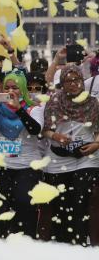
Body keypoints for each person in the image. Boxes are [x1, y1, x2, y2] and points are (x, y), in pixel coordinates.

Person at [41, 65, 99, 246]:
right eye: (68, 81)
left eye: (77, 80)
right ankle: (64, 244)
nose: (73, 84)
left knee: (81, 198)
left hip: (86, 156)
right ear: (62, 83)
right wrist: (56, 136)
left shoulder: (93, 102)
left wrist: (96, 144)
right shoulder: (54, 101)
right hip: (59, 157)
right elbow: (45, 130)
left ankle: (81, 242)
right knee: (62, 203)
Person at [0, 72, 43, 238]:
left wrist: (19, 109)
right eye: (6, 87)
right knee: (0, 207)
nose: (10, 91)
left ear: (22, 89)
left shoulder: (34, 107)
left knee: (24, 202)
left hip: (26, 165)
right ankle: (3, 241)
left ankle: (26, 240)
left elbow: (35, 130)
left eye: (15, 87)